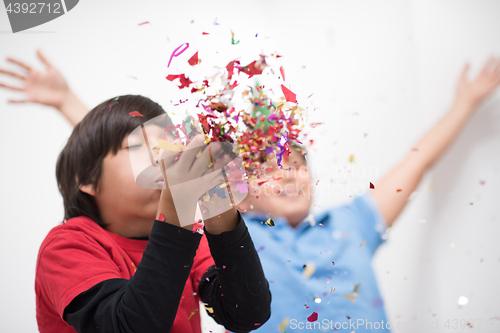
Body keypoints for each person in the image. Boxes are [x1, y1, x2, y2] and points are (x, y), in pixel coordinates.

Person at [3, 51, 499, 332]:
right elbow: (110, 160)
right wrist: (72, 104)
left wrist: (216, 211)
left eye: (296, 161)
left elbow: (246, 313)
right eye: (263, 164)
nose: (285, 173)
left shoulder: (341, 227)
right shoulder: (82, 244)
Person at [29, 93, 271, 332]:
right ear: (87, 178)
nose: (163, 156)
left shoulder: (192, 237)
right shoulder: (65, 246)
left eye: (168, 144)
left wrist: (218, 202)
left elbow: (247, 315)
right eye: (135, 145)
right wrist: (177, 208)